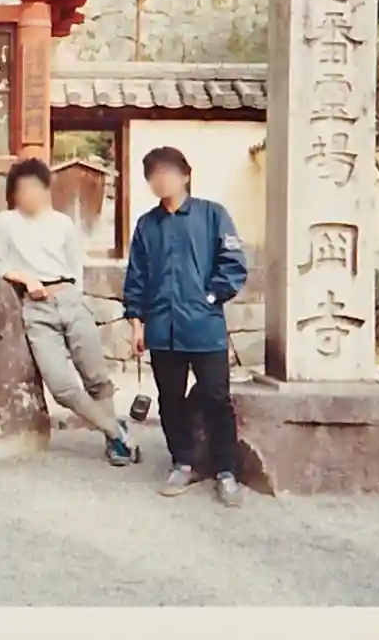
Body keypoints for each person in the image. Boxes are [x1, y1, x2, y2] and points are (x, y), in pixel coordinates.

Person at [0, 157, 137, 466]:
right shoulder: (6, 222)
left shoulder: (62, 223)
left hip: (70, 300)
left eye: (34, 187)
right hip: (36, 308)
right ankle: (115, 430)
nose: (28, 194)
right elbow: (0, 265)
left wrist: (75, 300)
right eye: (21, 189)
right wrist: (27, 279)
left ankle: (114, 443)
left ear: (46, 189)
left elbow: (76, 268)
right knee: (62, 386)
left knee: (96, 377)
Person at [123, 146, 248, 507]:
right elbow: (136, 278)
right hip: (162, 328)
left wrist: (210, 297)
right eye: (153, 175)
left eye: (167, 173)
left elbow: (234, 264)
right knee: (170, 399)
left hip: (204, 327)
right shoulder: (147, 225)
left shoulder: (213, 215)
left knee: (216, 397)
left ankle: (226, 471)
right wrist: (137, 324)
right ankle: (183, 462)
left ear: (185, 175)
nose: (160, 180)